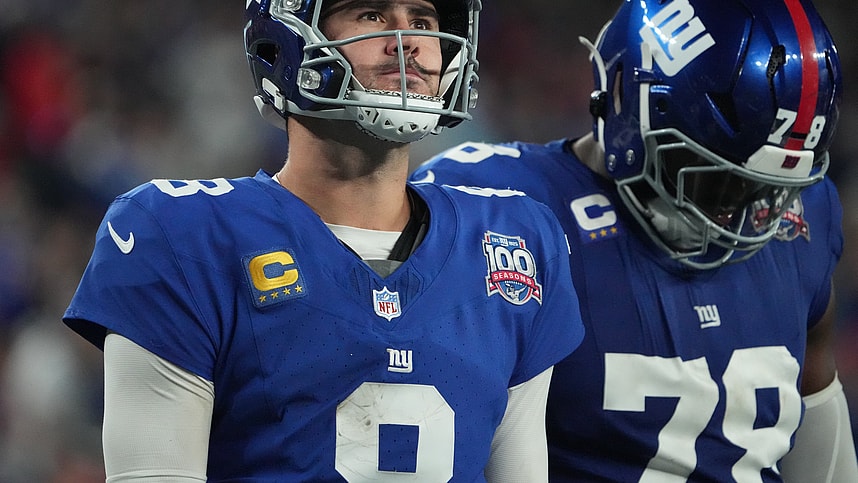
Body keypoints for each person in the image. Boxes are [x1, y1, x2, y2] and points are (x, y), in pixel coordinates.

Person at [62, 0, 586, 481]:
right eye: (371, 14)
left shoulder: (513, 238)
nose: (407, 40)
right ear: (286, 41)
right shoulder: (184, 234)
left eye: (423, 21)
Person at [411, 0, 858, 481]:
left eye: (766, 189)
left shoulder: (804, 217)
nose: (737, 212)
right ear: (627, 98)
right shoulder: (498, 203)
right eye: (716, 179)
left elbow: (816, 402)